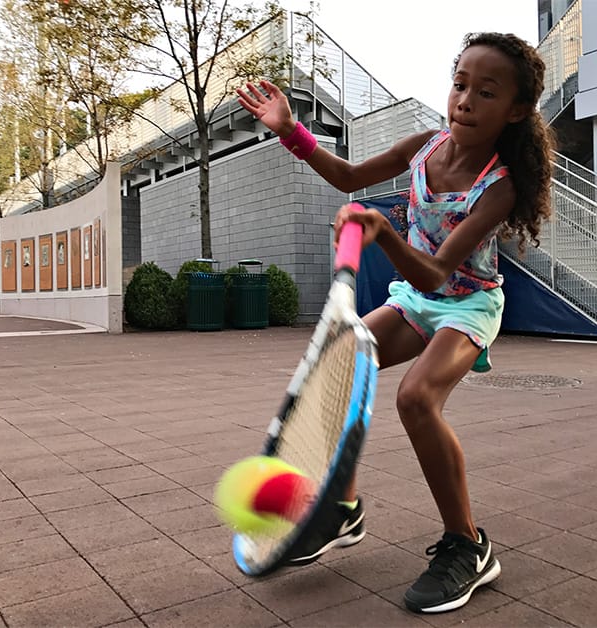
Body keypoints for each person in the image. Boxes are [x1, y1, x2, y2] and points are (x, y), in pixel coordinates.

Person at [236, 32, 555, 614]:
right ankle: (341, 510)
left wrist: (381, 232)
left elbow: (438, 272)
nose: (465, 101)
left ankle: (469, 545)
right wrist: (289, 129)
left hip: (468, 305)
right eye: (460, 84)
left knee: (416, 398)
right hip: (415, 297)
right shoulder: (422, 148)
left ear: (514, 110)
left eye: (485, 92)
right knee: (342, 367)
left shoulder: (499, 186)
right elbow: (349, 177)